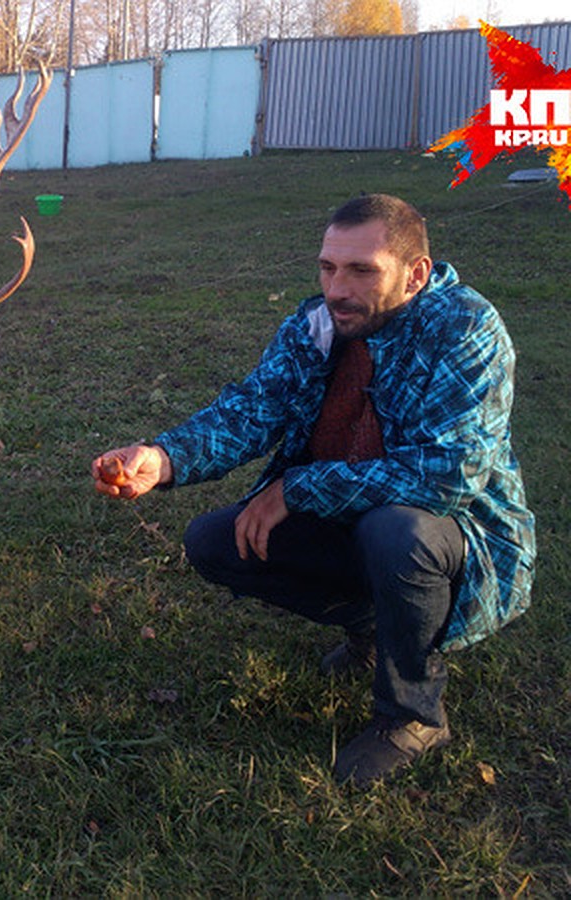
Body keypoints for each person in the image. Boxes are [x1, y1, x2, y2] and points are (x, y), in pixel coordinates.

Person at [92, 194, 535, 789]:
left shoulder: (465, 329)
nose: (337, 289)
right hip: (352, 517)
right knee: (214, 541)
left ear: (416, 274)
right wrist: (164, 457)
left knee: (396, 532)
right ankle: (376, 629)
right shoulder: (317, 327)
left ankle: (414, 714)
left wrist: (297, 489)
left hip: (461, 538)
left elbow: (445, 476)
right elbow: (253, 408)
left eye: (361, 271)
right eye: (328, 268)